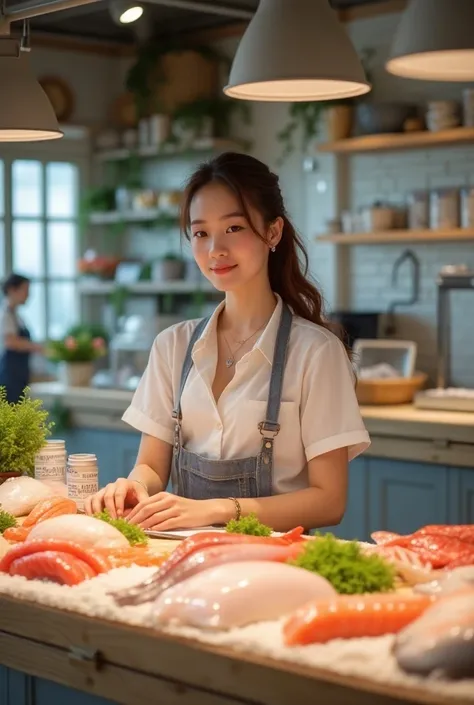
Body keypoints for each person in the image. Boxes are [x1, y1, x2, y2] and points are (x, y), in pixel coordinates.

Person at [85, 152, 370, 531]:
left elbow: (328, 501)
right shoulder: (172, 345)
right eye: (201, 233)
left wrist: (219, 510)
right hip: (183, 554)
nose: (215, 250)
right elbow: (152, 465)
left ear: (273, 232)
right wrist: (134, 486)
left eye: (233, 228)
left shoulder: (316, 352)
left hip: (275, 563)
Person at [0, 273, 43, 404]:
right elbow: (11, 342)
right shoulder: (5, 315)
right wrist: (38, 347)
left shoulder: (17, 316)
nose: (28, 295)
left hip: (19, 375)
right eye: (25, 290)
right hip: (9, 376)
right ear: (12, 290)